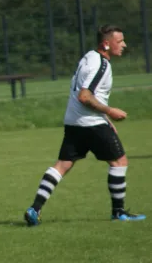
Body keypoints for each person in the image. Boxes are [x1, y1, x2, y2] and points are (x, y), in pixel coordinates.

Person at [24, 25, 145, 226]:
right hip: (91, 123)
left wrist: (106, 120)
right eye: (120, 41)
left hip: (74, 121)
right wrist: (110, 112)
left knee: (62, 165)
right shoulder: (101, 65)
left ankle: (34, 208)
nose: (124, 45)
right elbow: (85, 96)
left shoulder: (89, 57)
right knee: (119, 162)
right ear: (106, 43)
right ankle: (118, 213)